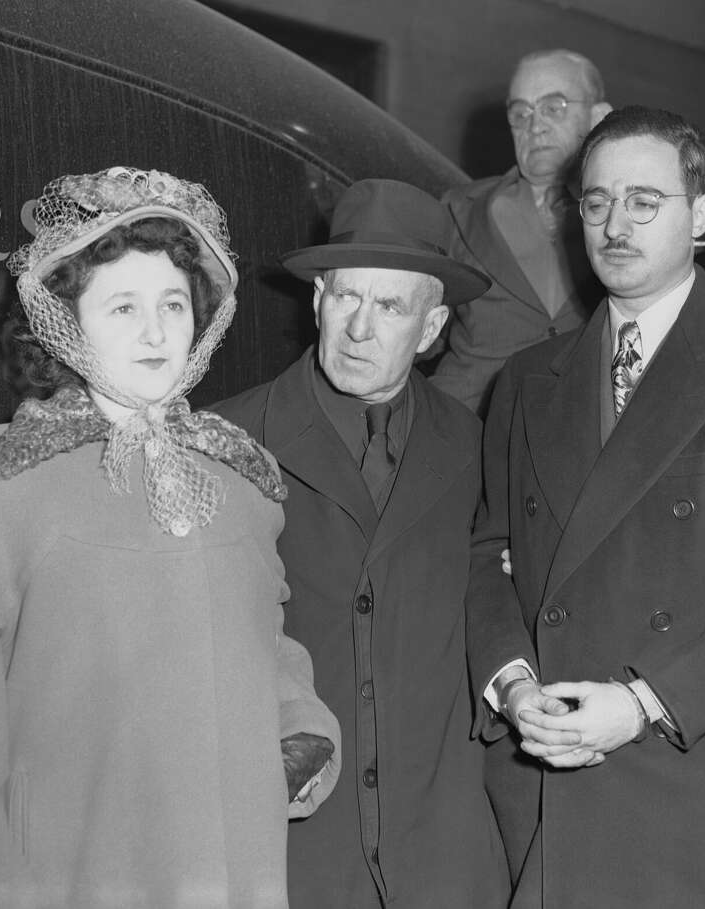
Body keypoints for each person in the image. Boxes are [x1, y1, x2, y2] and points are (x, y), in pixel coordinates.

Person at [0, 167, 340, 908]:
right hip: (71, 872)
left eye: (174, 304)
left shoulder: (243, 480)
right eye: (122, 305)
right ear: (67, 320)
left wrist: (300, 722)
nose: (156, 332)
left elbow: (265, 634)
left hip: (232, 865)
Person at [467, 107, 705, 908]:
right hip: (550, 789)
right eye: (597, 202)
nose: (615, 224)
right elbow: (487, 554)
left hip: (701, 787)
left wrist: (644, 702)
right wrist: (512, 683)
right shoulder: (527, 378)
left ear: (700, 215)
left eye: (645, 202)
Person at [214, 179, 510, 908]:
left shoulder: (480, 449)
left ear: (434, 325)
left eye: (391, 306)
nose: (359, 327)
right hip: (290, 856)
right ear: (316, 299)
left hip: (444, 864)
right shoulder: (224, 443)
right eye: (345, 297)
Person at [431, 49, 611, 416]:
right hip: (464, 432)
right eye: (520, 113)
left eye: (553, 107)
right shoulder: (457, 211)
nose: (535, 126)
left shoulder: (628, 209)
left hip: (580, 435)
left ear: (599, 117)